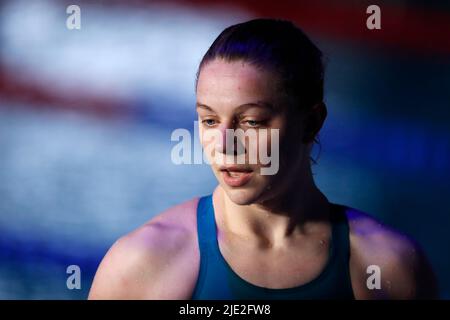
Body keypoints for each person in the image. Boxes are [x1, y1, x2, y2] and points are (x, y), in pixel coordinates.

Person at [88, 19, 437, 299]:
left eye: (251, 121)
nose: (225, 144)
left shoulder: (386, 266)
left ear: (312, 122)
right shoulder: (144, 264)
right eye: (209, 120)